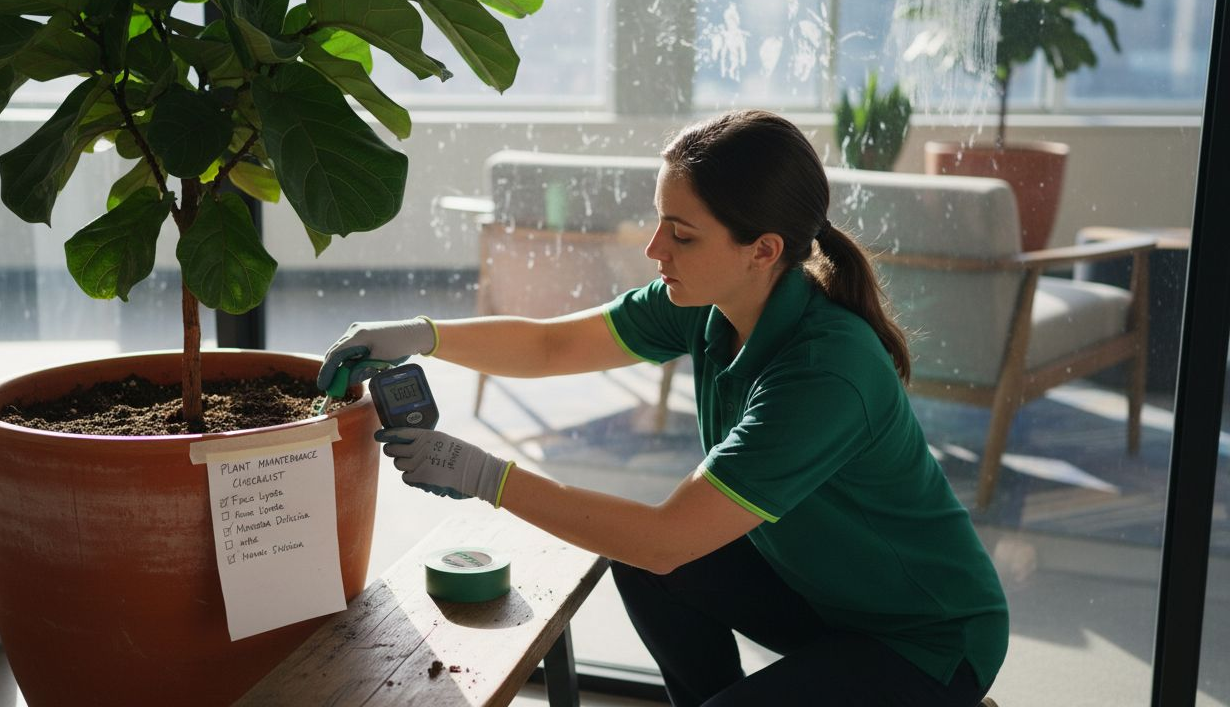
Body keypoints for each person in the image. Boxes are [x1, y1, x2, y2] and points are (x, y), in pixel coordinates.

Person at [317, 110, 1008, 706]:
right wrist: (422, 336)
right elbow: (555, 347)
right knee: (646, 567)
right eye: (658, 223)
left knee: (650, 549)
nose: (654, 250)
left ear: (762, 251)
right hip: (826, 599)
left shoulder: (826, 372)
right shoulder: (708, 303)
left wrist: (483, 476)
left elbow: (665, 535)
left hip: (926, 638)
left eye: (681, 234)